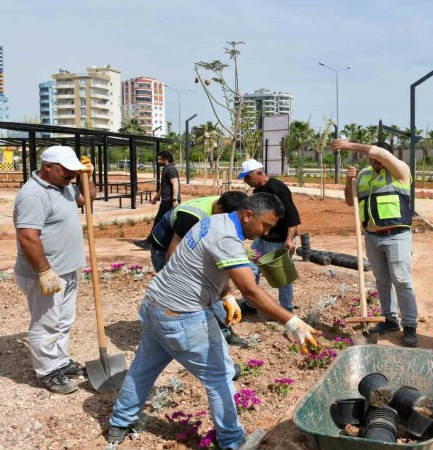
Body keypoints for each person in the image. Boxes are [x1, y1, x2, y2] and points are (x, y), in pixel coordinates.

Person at [107, 193, 318, 449]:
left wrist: (225, 294)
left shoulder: (213, 221)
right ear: (248, 214)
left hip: (155, 305)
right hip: (182, 315)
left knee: (143, 368)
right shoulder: (228, 238)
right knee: (220, 377)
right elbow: (251, 292)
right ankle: (232, 441)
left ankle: (119, 423)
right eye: (265, 225)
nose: (264, 232)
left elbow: (204, 264)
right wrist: (293, 321)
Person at [13, 146, 94, 394]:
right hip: (45, 272)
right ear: (49, 167)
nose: (71, 177)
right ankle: (47, 371)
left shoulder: (65, 186)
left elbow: (87, 199)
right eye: (68, 173)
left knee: (63, 319)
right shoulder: (34, 195)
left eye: (74, 173)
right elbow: (27, 236)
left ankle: (60, 361)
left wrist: (87, 177)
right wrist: (44, 272)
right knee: (46, 323)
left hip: (66, 268)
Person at [331, 139, 420, 348]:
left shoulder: (400, 172)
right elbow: (350, 201)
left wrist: (348, 145)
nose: (375, 163)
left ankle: (410, 325)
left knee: (402, 280)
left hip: (397, 236)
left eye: (378, 159)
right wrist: (348, 182)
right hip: (372, 237)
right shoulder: (364, 175)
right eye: (372, 160)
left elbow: (381, 154)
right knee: (382, 281)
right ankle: (389, 320)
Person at [148, 191, 249, 347]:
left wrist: (227, 294)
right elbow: (172, 255)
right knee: (182, 292)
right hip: (164, 248)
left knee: (209, 289)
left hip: (192, 246)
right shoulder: (192, 217)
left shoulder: (224, 207)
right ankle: (174, 333)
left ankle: (222, 333)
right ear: (220, 208)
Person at [237, 159, 301, 312]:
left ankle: (286, 308)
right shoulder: (257, 192)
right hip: (261, 239)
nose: (246, 181)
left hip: (279, 240)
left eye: (248, 177)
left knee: (281, 275)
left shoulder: (279, 189)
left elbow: (292, 215)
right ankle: (250, 304)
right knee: (250, 268)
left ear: (259, 173)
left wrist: (289, 239)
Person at [135, 150, 179, 249]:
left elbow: (175, 184)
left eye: (160, 159)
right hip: (166, 200)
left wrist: (174, 199)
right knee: (165, 221)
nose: (158, 161)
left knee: (159, 221)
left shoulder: (170, 169)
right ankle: (159, 242)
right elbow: (164, 187)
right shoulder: (167, 169)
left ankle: (150, 243)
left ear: (166, 159)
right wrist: (157, 197)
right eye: (158, 159)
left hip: (169, 201)